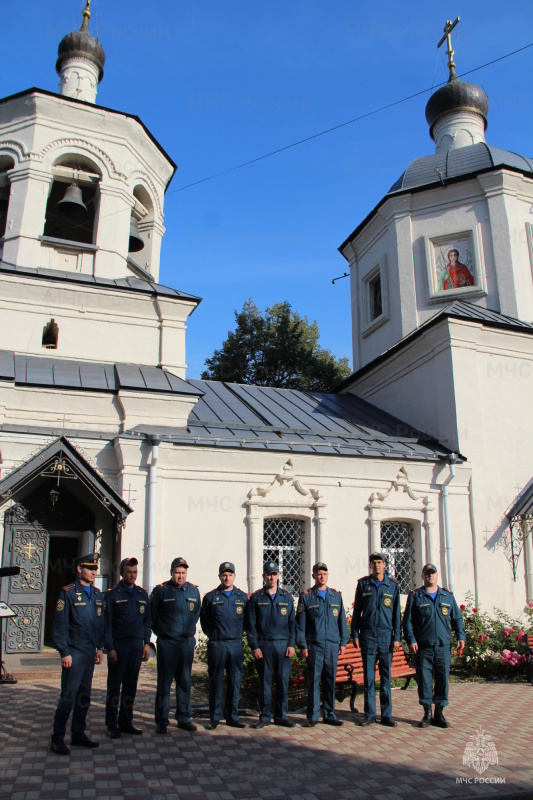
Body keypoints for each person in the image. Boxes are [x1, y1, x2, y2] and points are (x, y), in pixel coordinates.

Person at [50, 552, 104, 755]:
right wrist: (64, 652)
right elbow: (60, 626)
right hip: (74, 652)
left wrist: (100, 647)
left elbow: (99, 624)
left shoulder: (98, 594)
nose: (94, 572)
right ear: (79, 569)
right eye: (90, 568)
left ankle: (78, 733)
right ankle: (57, 738)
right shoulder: (68, 593)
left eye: (95, 569)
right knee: (68, 696)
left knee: (84, 696)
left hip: (90, 652)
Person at [403, 563, 466, 728]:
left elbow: (457, 619)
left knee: (442, 679)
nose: (430, 576)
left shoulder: (447, 596)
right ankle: (427, 713)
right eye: (427, 574)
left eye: (433, 573)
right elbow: (407, 621)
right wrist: (411, 640)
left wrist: (461, 635)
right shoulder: (416, 596)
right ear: (422, 576)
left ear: (437, 576)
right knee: (424, 680)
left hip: (442, 646)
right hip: (423, 647)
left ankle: (439, 713)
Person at [150, 556, 201, 734]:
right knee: (164, 683)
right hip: (167, 643)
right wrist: (164, 632)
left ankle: (184, 717)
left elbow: (196, 614)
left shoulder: (193, 592)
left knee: (184, 681)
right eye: (177, 572)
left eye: (183, 573)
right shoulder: (161, 592)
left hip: (186, 643)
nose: (180, 576)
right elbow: (153, 617)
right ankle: (162, 720)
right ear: (171, 572)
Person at [295, 562, 349, 727]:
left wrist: (343, 642)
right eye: (318, 574)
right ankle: (312, 716)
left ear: (328, 575)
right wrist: (303, 645)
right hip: (314, 646)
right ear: (313, 576)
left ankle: (330, 714)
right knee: (313, 682)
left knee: (329, 681)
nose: (322, 576)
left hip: (332, 645)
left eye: (324, 573)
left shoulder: (336, 596)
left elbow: (342, 622)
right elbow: (300, 625)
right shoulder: (306, 597)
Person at [351, 552, 401, 727]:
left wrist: (397, 638)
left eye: (379, 562)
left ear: (385, 565)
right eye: (374, 563)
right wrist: (355, 633)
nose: (376, 565)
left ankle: (386, 715)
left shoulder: (393, 586)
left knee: (386, 676)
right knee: (369, 676)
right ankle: (370, 714)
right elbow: (357, 611)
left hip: (386, 636)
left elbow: (396, 614)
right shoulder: (364, 584)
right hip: (368, 635)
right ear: (370, 566)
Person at [245, 560, 296, 729]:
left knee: (282, 682)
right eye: (269, 574)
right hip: (264, 646)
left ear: (278, 576)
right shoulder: (256, 598)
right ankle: (265, 716)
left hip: (282, 646)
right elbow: (251, 625)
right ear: (263, 576)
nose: (272, 577)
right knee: (265, 683)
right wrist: (255, 646)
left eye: (274, 574)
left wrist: (291, 644)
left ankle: (281, 716)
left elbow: (292, 624)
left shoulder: (287, 598)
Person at [104, 556, 151, 738]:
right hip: (119, 646)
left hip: (135, 646)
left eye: (135, 572)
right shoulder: (113, 595)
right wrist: (110, 648)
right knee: (115, 687)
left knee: (130, 687)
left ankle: (126, 721)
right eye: (129, 572)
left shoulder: (142, 594)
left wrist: (146, 643)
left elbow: (147, 620)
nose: (132, 575)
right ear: (122, 572)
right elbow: (106, 624)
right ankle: (111, 724)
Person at [200, 562, 248, 729]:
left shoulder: (242, 597)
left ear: (235, 576)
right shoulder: (211, 597)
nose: (227, 577)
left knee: (235, 680)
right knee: (216, 681)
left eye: (230, 574)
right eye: (224, 575)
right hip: (217, 644)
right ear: (219, 576)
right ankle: (215, 717)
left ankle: (232, 716)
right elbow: (204, 621)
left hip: (235, 644)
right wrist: (213, 635)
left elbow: (247, 621)